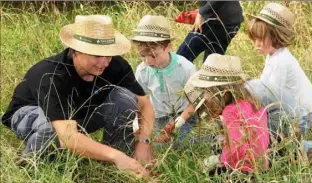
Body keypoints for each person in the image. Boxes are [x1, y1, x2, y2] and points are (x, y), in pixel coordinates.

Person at [1, 15, 155, 176]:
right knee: (50, 129)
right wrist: (116, 156)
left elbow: (145, 105)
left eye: (108, 55)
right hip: (31, 113)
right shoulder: (51, 75)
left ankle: (117, 167)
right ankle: (32, 165)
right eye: (97, 56)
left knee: (126, 98)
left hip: (75, 118)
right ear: (76, 51)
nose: (104, 63)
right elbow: (68, 137)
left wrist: (144, 142)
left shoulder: (117, 65)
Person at [247, 3, 312, 153]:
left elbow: (272, 100)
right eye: (254, 38)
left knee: (268, 142)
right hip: (294, 109)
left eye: (261, 38)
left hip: (302, 116)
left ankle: (311, 147)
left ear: (276, 36)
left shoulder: (281, 62)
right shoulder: (274, 56)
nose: (256, 44)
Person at [186, 53, 270, 174]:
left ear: (221, 91)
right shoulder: (252, 101)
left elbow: (235, 149)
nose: (204, 96)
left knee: (206, 171)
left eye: (206, 91)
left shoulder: (230, 111)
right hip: (261, 165)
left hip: (244, 170)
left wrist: (221, 160)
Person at [131, 15, 197, 143]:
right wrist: (137, 124)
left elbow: (196, 100)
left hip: (183, 114)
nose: (148, 61)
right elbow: (139, 100)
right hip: (158, 116)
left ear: (168, 47)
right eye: (143, 56)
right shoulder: (142, 70)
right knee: (150, 143)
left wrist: (180, 121)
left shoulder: (185, 67)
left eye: (153, 55)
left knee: (182, 142)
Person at [177, 1, 244, 63]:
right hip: (231, 21)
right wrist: (202, 9)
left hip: (216, 21)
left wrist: (201, 13)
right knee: (211, 66)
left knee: (181, 58)